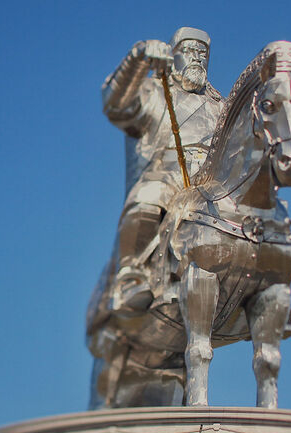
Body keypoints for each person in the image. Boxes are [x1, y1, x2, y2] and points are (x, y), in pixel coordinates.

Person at [102, 27, 224, 313]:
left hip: (212, 180)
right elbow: (116, 104)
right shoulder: (153, 89)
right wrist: (138, 58)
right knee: (149, 194)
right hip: (167, 172)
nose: (197, 58)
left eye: (202, 53)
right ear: (173, 55)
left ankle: (263, 284)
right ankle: (130, 276)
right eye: (189, 51)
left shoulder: (220, 104)